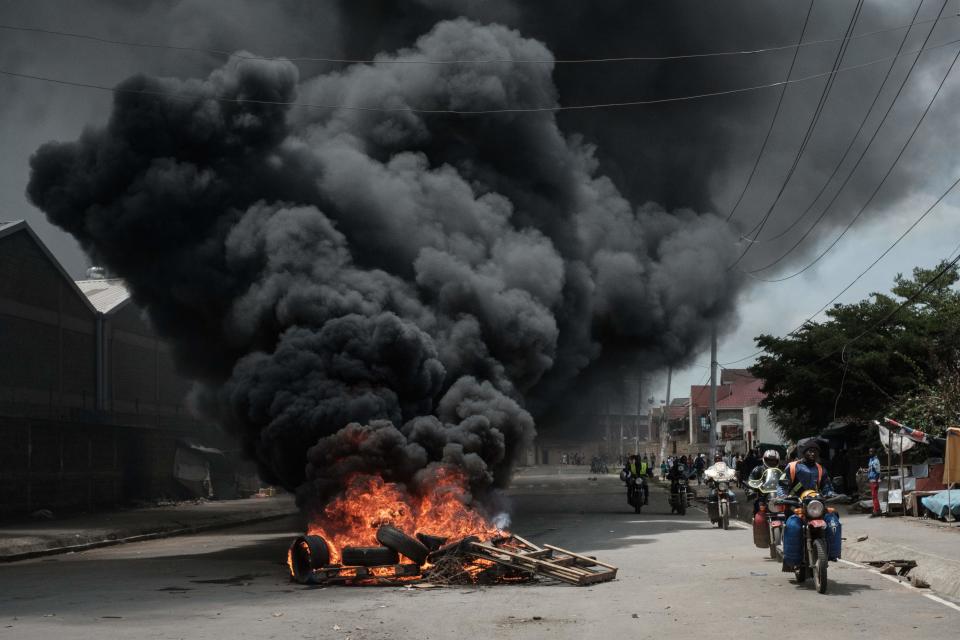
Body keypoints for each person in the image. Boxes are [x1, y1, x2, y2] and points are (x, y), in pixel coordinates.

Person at [779, 440, 839, 571]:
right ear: (804, 452)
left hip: (816, 505)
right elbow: (782, 485)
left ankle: (832, 554)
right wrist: (783, 496)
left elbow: (827, 486)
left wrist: (831, 493)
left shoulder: (820, 469)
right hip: (796, 504)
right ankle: (791, 559)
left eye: (815, 451)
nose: (812, 453)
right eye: (809, 451)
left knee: (833, 521)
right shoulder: (793, 467)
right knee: (793, 526)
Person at [746, 449, 782, 514]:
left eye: (773, 460)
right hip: (762, 496)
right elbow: (751, 479)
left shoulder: (782, 470)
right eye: (769, 460)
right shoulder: (758, 470)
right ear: (764, 460)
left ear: (777, 461)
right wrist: (750, 490)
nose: (771, 462)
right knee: (757, 508)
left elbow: (788, 481)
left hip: (779, 496)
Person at [867, 448, 882, 517]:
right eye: (869, 452)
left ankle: (876, 511)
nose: (870, 453)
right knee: (874, 496)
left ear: (874, 453)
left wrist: (876, 481)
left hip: (874, 481)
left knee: (874, 496)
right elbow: (870, 470)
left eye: (871, 452)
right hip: (871, 480)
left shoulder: (876, 460)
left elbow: (878, 472)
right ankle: (877, 509)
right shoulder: (871, 460)